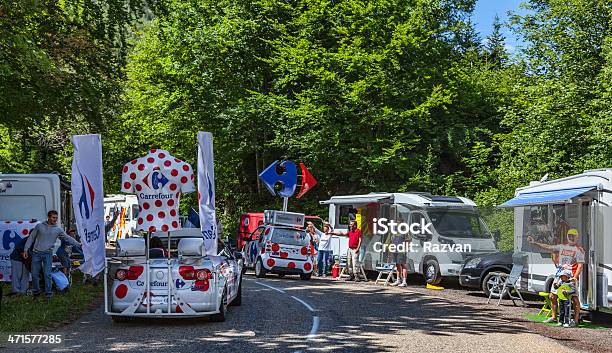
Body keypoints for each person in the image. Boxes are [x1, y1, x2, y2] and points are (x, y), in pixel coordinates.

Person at [528, 228, 584, 326]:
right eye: (569, 235)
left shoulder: (579, 250)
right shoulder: (562, 247)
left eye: (573, 236)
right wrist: (535, 243)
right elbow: (548, 247)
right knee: (552, 296)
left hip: (570, 277)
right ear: (567, 236)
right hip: (559, 275)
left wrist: (575, 277)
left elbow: (580, 265)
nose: (571, 237)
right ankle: (554, 317)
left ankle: (575, 320)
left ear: (577, 237)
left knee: (574, 299)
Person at [23, 210, 80, 299]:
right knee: (34, 274)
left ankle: (48, 294)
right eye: (53, 217)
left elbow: (68, 238)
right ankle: (36, 292)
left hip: (47, 254)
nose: (55, 219)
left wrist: (79, 244)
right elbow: (31, 238)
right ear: (48, 217)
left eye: (56, 218)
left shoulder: (58, 230)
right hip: (36, 253)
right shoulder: (39, 226)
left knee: (47, 274)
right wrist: (26, 250)